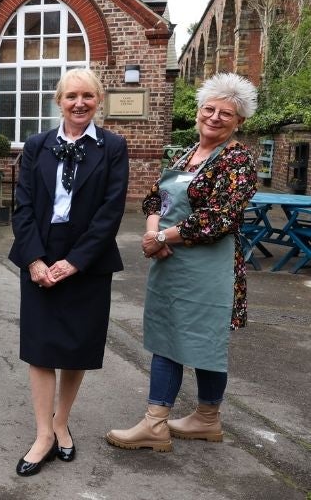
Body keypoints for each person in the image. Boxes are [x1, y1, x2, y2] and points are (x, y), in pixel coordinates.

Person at [106, 73, 258, 452]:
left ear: (239, 121)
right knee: (169, 334)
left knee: (203, 341)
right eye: (210, 108)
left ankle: (172, 422)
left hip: (209, 268)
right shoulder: (186, 153)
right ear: (198, 111)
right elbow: (157, 197)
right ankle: (202, 420)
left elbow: (218, 218)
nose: (216, 117)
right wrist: (154, 230)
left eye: (227, 113)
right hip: (171, 262)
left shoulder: (238, 159)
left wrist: (159, 238)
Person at [8, 68, 129, 477]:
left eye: (88, 96)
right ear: (59, 101)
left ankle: (62, 421)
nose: (80, 103)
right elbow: (22, 206)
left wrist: (75, 261)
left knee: (76, 346)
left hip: (87, 261)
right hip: (39, 254)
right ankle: (43, 433)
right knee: (41, 348)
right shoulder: (37, 145)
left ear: (99, 100)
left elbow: (110, 211)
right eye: (71, 96)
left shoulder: (113, 146)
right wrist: (35, 260)